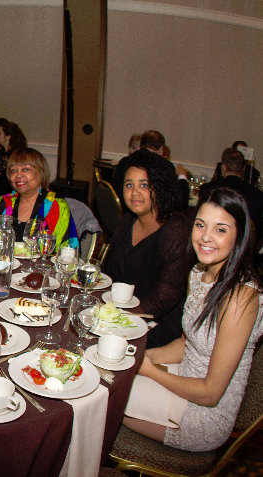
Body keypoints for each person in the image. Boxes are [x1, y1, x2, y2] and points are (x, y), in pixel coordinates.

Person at [122, 187, 262, 452]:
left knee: (104, 397)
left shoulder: (240, 298)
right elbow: (185, 345)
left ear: (239, 236)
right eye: (200, 225)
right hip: (182, 379)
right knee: (110, 376)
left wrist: (149, 370)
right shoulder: (199, 272)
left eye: (220, 230)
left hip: (202, 415)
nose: (206, 237)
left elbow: (210, 393)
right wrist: (143, 356)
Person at [103, 150, 193, 348]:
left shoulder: (176, 229)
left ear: (159, 187)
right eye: (129, 185)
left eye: (144, 185)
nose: (135, 192)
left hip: (158, 323)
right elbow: (107, 272)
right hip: (121, 311)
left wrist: (116, 320)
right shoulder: (128, 221)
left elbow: (165, 296)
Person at [0, 147, 78, 250]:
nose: (18, 175)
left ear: (41, 173)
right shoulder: (4, 202)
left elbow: (58, 252)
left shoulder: (55, 206)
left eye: (26, 169)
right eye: (13, 170)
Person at [199, 147, 263, 237]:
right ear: (244, 168)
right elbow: (258, 231)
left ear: (223, 167)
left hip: (214, 239)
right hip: (246, 246)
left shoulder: (207, 189)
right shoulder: (258, 195)